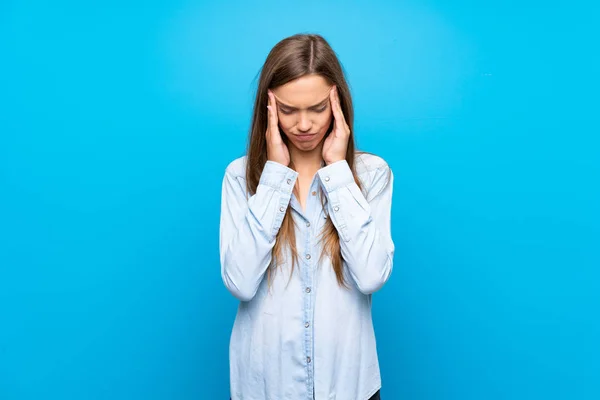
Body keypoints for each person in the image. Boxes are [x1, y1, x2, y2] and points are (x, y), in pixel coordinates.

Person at [219, 33, 394, 400]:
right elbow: (240, 282)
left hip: (348, 387)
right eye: (288, 110)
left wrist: (337, 172)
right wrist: (275, 179)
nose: (303, 125)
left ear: (338, 102)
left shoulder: (371, 174)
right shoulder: (241, 177)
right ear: (268, 107)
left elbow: (371, 276)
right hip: (265, 387)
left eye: (317, 108)